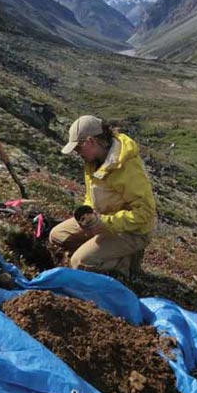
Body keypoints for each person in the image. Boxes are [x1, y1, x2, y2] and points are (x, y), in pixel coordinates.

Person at [50, 115, 156, 277]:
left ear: (91, 141)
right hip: (101, 220)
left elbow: (145, 213)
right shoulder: (92, 160)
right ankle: (99, 253)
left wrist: (106, 223)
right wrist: (89, 215)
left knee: (79, 263)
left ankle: (125, 263)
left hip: (131, 231)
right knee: (58, 237)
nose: (77, 153)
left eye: (78, 148)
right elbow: (92, 195)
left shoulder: (127, 167)